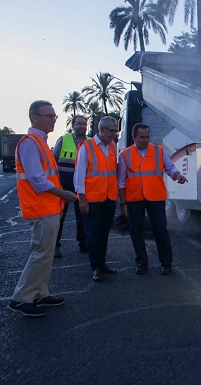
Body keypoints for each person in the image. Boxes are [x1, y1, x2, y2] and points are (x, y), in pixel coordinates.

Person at [8, 100, 77, 317]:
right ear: (34, 118)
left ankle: (40, 294)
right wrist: (63, 194)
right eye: (49, 116)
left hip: (48, 207)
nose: (53, 119)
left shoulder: (40, 143)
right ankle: (21, 298)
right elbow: (37, 180)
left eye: (54, 116)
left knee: (44, 253)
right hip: (41, 208)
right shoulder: (30, 143)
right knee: (41, 253)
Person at [117, 123, 187, 276]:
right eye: (142, 137)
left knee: (160, 230)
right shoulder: (125, 154)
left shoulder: (158, 151)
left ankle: (166, 263)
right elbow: (121, 181)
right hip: (134, 198)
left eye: (147, 137)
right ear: (133, 137)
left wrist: (177, 176)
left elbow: (170, 168)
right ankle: (142, 263)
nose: (145, 140)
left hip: (155, 197)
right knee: (136, 231)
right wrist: (123, 203)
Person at [74, 116, 119, 282]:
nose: (115, 134)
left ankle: (102, 263)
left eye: (116, 130)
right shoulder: (87, 147)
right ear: (101, 130)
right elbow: (79, 175)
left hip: (108, 198)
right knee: (93, 234)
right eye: (112, 131)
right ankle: (96, 267)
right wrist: (82, 199)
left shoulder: (113, 146)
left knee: (104, 233)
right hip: (91, 199)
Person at [52, 114, 90, 257]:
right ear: (73, 125)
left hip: (83, 186)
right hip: (64, 185)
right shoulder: (63, 140)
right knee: (60, 216)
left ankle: (84, 243)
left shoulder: (90, 142)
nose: (81, 126)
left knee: (83, 216)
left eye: (84, 124)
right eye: (79, 123)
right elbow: (53, 161)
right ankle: (55, 245)